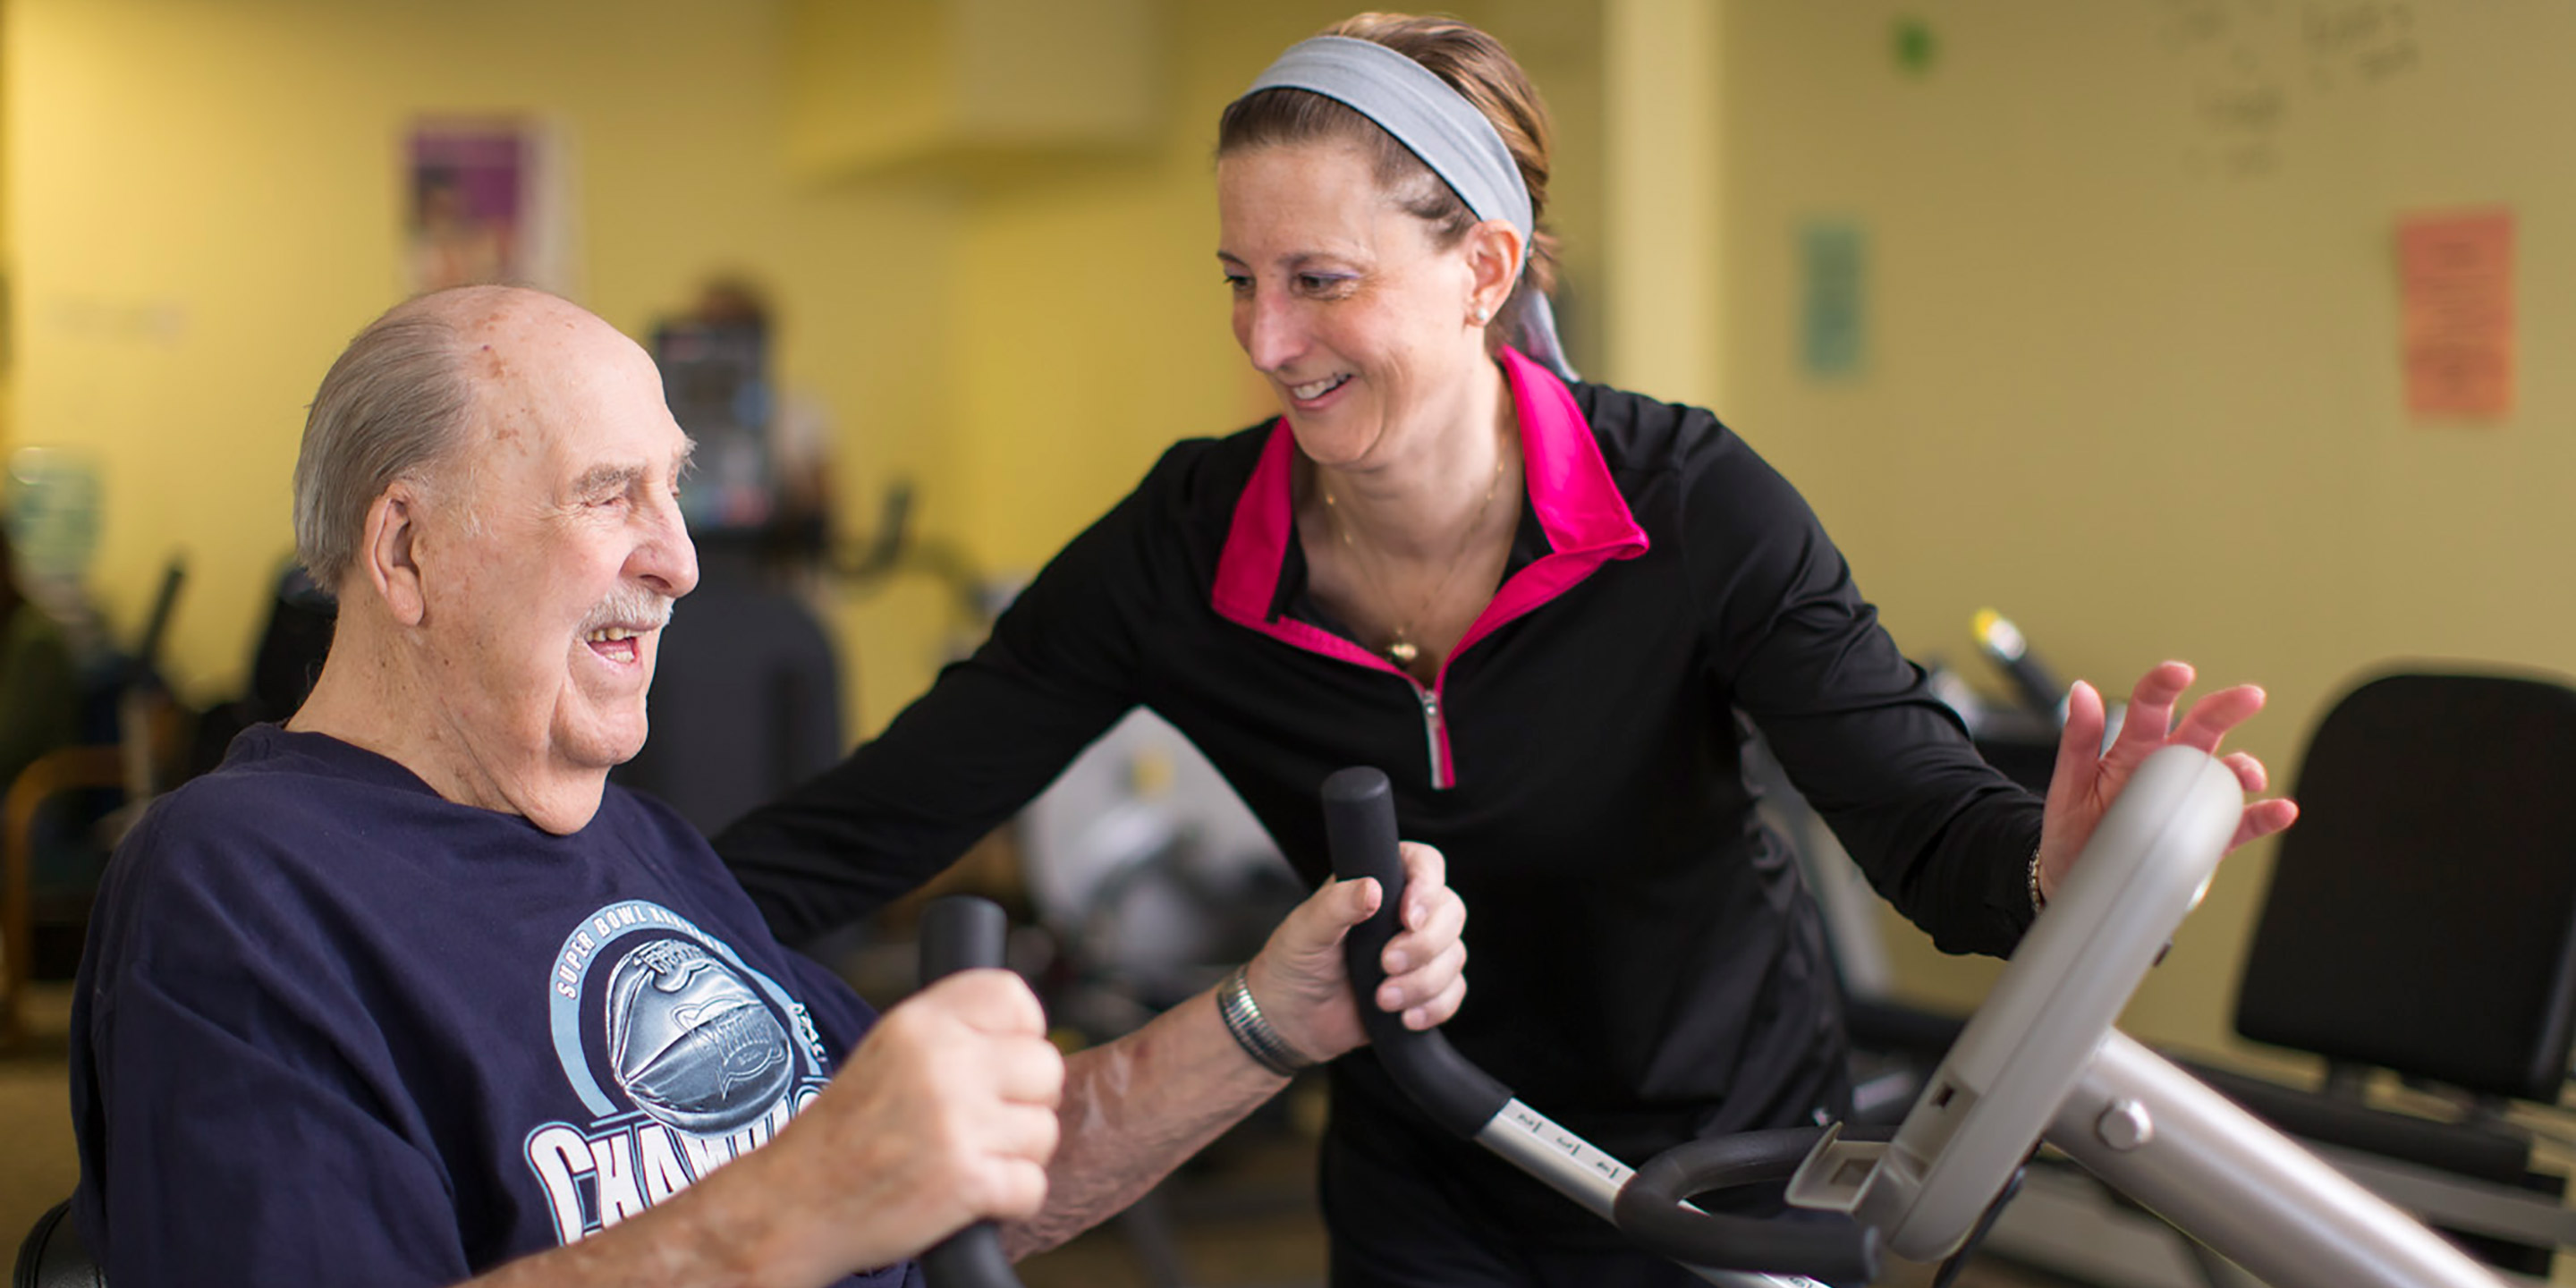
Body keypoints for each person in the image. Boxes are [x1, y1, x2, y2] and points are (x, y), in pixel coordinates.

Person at [714, 14, 2300, 1287]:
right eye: (1241, 281)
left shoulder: (1691, 508)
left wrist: (2065, 867)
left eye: (1321, 281)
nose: (1266, 341)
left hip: (1726, 1166)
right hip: (1425, 1174)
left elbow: (1932, 836)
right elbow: (876, 822)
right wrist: (568, 936)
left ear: (1481, 268)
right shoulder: (1190, 544)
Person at [67, 284, 1470, 1287]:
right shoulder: (241, 885)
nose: (678, 560)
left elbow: (946, 1178)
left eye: (676, 493)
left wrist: (1266, 1022)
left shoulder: (649, 852)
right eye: (610, 494)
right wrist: (785, 1210)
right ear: (407, 552)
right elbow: (836, 1189)